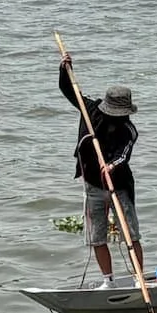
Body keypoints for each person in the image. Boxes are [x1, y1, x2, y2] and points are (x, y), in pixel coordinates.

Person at [59, 51, 141, 288]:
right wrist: (64, 69)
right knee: (97, 237)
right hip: (93, 184)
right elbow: (69, 91)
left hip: (120, 185)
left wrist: (112, 165)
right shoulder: (90, 110)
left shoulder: (128, 129)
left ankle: (138, 280)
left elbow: (124, 154)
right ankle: (108, 281)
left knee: (130, 235)